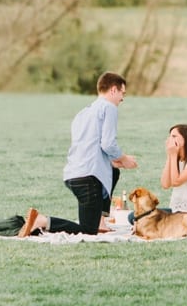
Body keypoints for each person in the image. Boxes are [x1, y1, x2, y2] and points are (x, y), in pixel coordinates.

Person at [21, 71, 139, 237]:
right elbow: (108, 144)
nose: (122, 98)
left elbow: (88, 147)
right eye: (122, 93)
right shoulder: (109, 108)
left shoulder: (83, 113)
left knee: (114, 172)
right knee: (88, 231)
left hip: (73, 175)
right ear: (113, 90)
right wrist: (124, 158)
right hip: (88, 179)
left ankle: (100, 220)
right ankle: (42, 221)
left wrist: (112, 162)